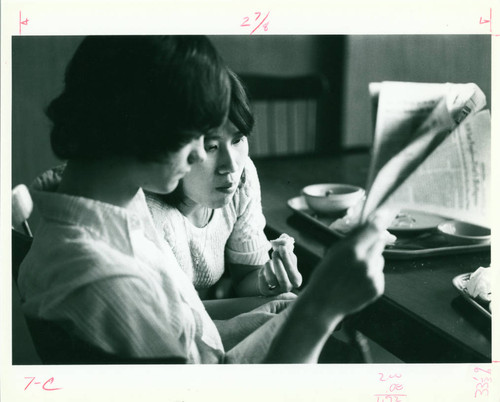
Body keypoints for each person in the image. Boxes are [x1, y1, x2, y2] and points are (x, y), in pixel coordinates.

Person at [18, 35, 387, 364]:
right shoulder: (103, 279)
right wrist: (319, 310)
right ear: (139, 125)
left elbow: (193, 341)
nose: (199, 156)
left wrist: (284, 311)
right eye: (197, 135)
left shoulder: (114, 209)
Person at [145, 71, 301, 303]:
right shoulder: (149, 213)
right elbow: (170, 321)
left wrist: (268, 281)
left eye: (238, 140)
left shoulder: (242, 177)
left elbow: (246, 275)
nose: (231, 165)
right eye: (211, 146)